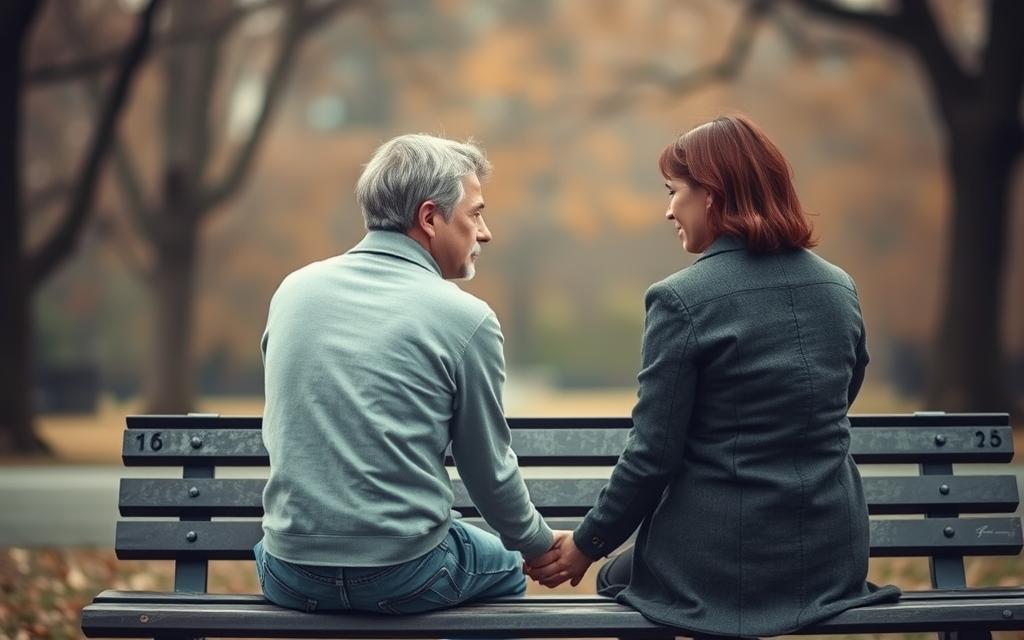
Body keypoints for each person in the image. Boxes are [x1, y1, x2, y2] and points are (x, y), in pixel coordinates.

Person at [525, 114, 900, 638]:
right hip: (831, 559)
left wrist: (586, 546)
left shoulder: (682, 299)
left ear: (712, 195)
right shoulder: (840, 288)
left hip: (725, 559)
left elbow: (654, 454)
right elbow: (839, 394)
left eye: (673, 191)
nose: (667, 210)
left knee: (617, 578)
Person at [255, 133, 560, 614]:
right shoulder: (466, 318)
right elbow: (486, 468)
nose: (485, 233)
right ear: (429, 218)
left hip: (290, 573)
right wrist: (538, 545)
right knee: (503, 572)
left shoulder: (293, 292)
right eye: (476, 213)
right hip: (403, 571)